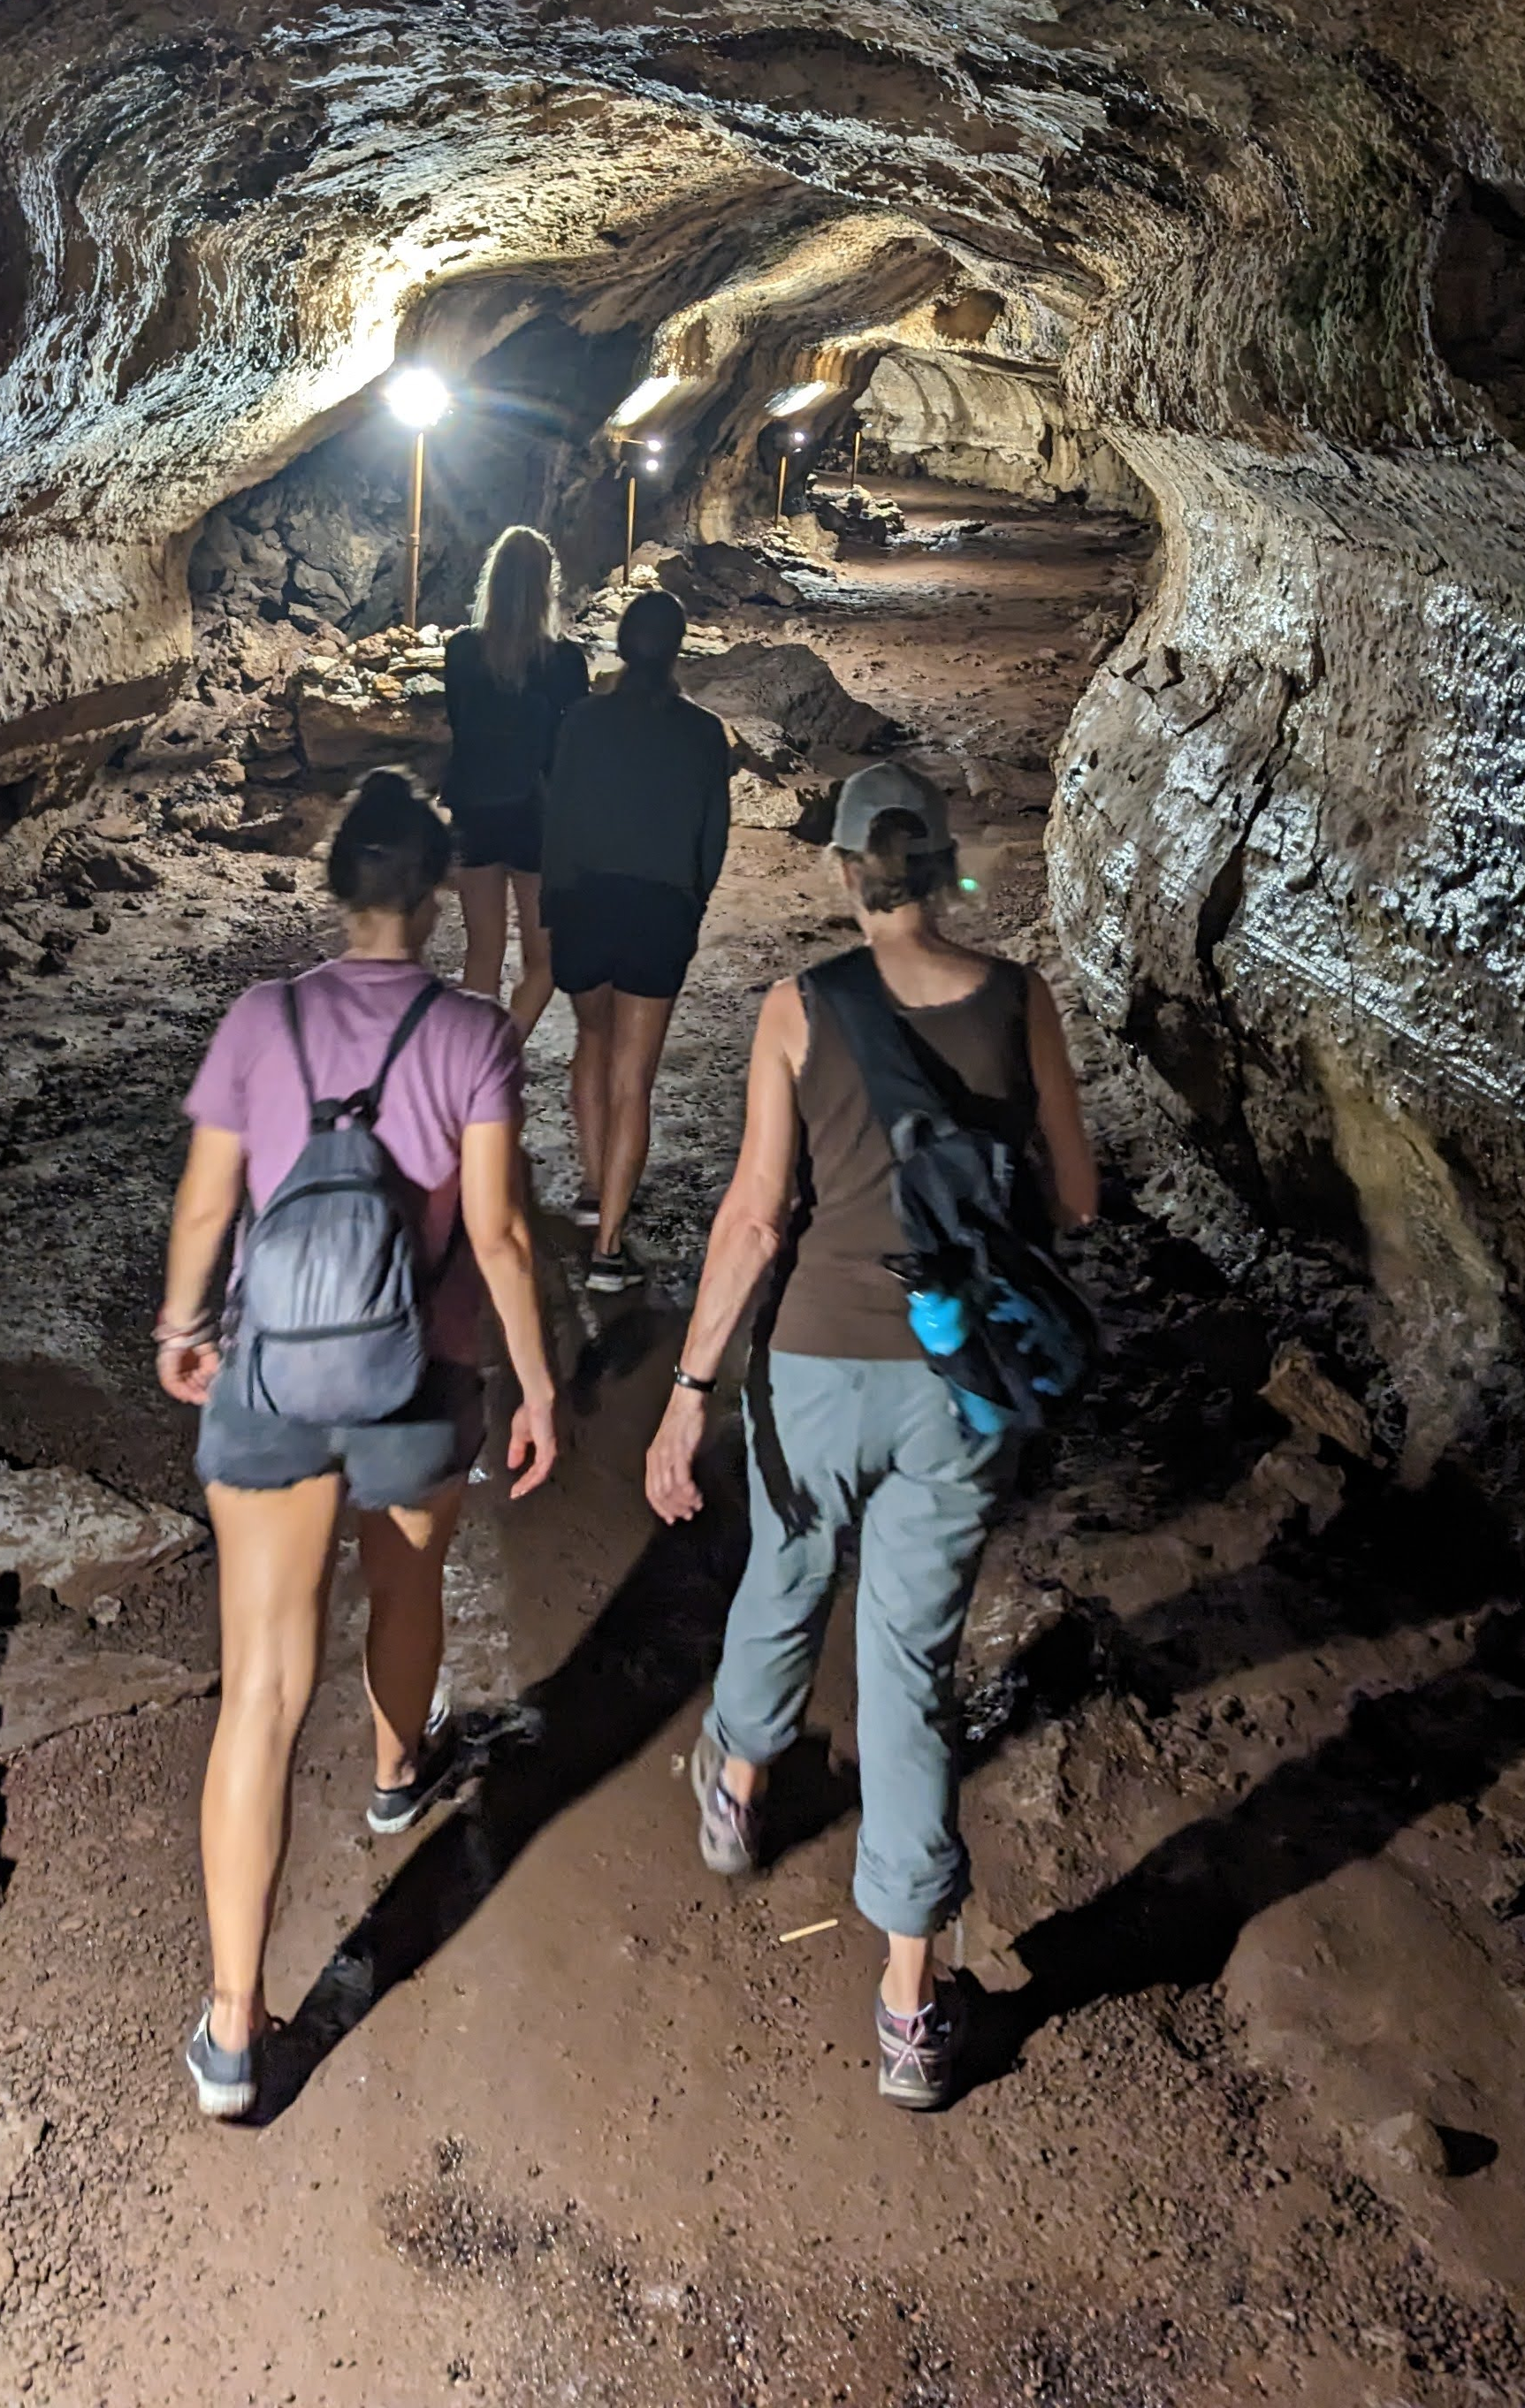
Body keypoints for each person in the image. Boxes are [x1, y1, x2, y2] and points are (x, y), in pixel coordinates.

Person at [644, 764, 1096, 2111]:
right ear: (946, 865)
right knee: (908, 1665)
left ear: (845, 874)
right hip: (958, 1386)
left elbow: (753, 1221)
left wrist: (688, 1388)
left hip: (819, 1367)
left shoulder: (800, 1006)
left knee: (786, 1567)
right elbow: (1074, 1197)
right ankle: (908, 2009)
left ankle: (738, 1787)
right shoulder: (1022, 1001)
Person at [156, 768, 560, 2121]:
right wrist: (540, 1386)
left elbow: (208, 1203)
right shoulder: (471, 1036)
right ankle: (399, 1775)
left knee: (260, 1696)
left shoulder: (259, 1022)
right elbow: (499, 1237)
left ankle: (230, 2029)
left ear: (336, 889)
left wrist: (181, 1328)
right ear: (439, 900)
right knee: (406, 1589)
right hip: (418, 1377)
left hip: (271, 1376)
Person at [541, 585, 731, 1297]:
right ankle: (610, 1247)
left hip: (587, 903)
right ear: (678, 648)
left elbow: (557, 819)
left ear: (620, 646)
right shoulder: (703, 733)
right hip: (657, 912)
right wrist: (690, 907)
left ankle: (594, 1188)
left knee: (591, 1043)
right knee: (634, 1079)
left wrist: (556, 903)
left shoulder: (582, 723)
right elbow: (712, 839)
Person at [442, 525, 589, 1040]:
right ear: (548, 586)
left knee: (482, 950)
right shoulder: (565, 662)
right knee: (543, 959)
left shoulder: (461, 653)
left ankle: (475, 1058)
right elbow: (573, 750)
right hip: (537, 819)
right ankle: (505, 1047)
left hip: (476, 811)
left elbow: (458, 726)